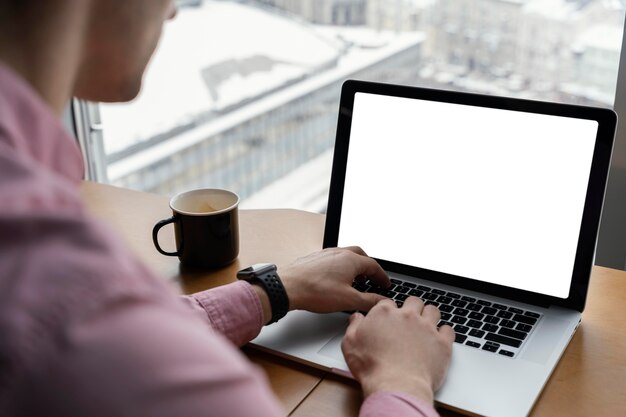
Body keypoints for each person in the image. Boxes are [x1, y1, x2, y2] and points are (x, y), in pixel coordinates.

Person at [0, 1, 455, 416]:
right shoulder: (79, 316)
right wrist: (403, 381)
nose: (173, 10)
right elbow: (104, 335)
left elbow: (130, 337)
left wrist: (275, 289)